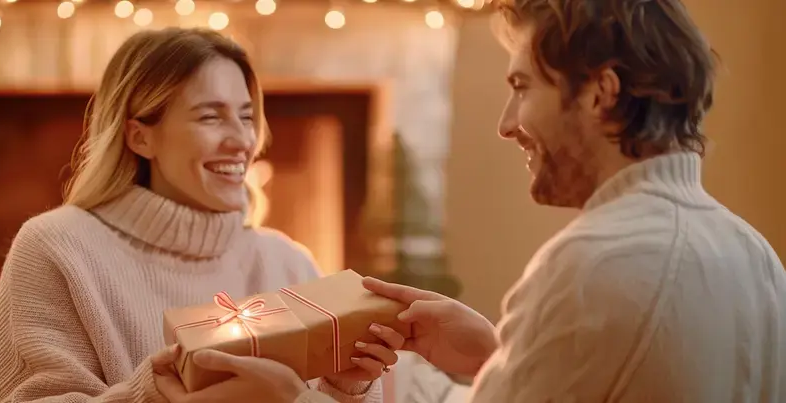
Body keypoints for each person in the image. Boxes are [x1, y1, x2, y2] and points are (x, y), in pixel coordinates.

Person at [181, 0, 786, 401]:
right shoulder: (754, 256)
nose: (506, 123)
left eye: (522, 86)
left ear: (601, 93)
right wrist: (492, 356)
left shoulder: (594, 263)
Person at [0, 27, 404, 403]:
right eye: (210, 116)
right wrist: (157, 394)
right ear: (140, 136)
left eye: (246, 116)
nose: (242, 140)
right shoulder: (56, 249)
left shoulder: (288, 261)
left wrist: (345, 386)